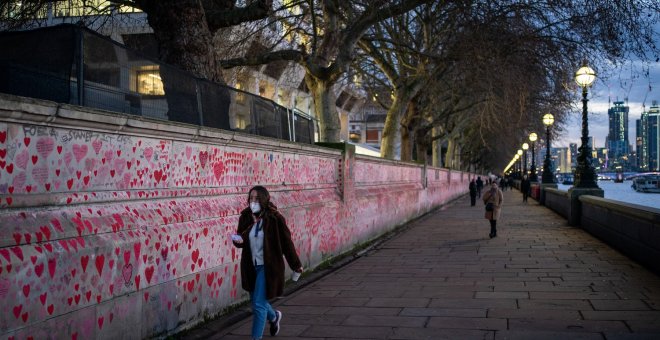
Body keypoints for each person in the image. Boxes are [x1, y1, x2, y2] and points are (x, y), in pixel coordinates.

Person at [232, 186, 303, 340]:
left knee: (258, 304)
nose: (253, 201)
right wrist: (237, 240)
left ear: (264, 199)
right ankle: (274, 316)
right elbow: (242, 241)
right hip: (251, 267)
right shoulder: (246, 216)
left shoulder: (275, 218)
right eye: (251, 198)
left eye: (257, 198)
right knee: (257, 301)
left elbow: (287, 243)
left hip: (268, 267)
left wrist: (296, 265)